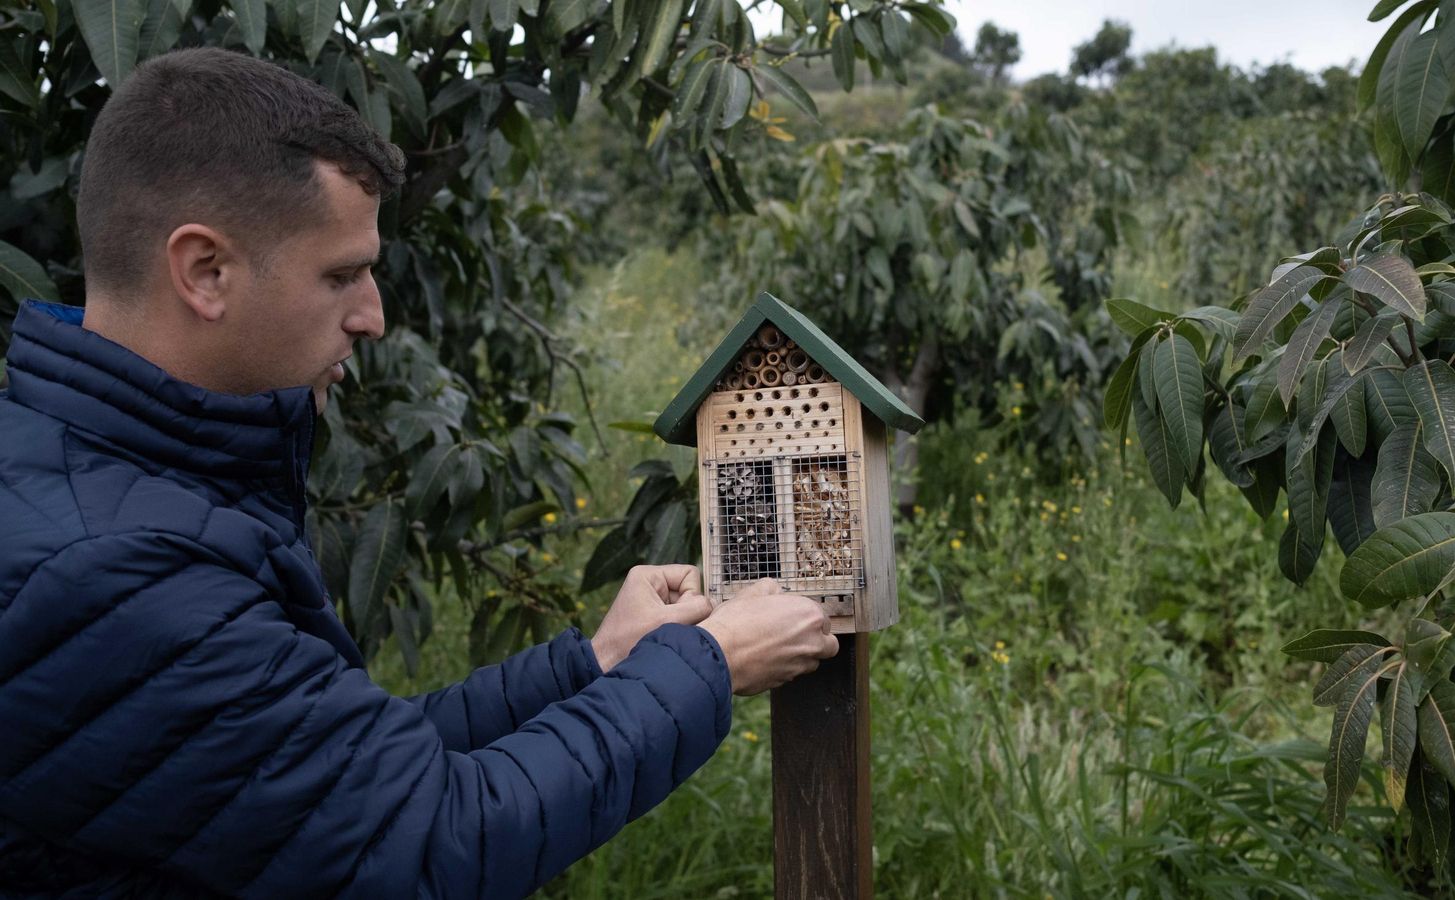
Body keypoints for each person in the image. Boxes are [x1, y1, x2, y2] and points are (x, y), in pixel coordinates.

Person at [0, 47, 838, 897]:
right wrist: (706, 666)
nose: (373, 316)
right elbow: (426, 839)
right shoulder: (118, 576)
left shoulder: (97, 478)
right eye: (342, 275)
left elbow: (333, 775)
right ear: (205, 271)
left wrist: (596, 662)